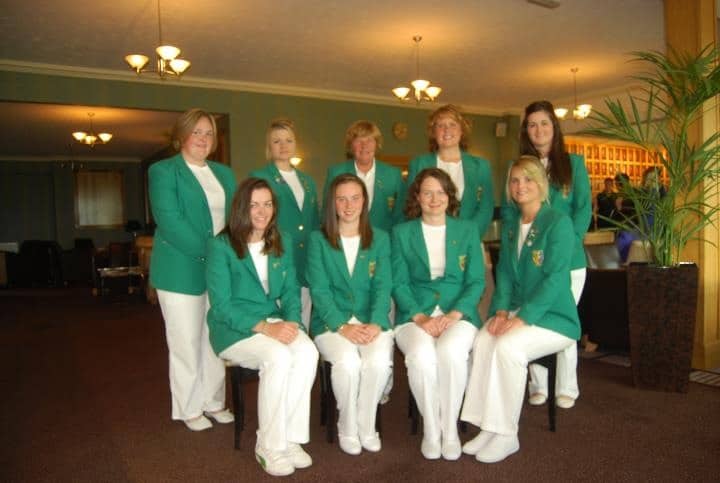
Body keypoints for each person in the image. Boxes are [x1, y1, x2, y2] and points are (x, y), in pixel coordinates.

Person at [461, 155, 580, 463]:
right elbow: (504, 276)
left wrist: (522, 318)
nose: (520, 186)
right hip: (517, 311)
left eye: (527, 179)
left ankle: (507, 434)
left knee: (509, 348)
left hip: (555, 318)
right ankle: (488, 425)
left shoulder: (558, 222)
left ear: (540, 183)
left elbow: (555, 279)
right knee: (484, 339)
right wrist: (500, 312)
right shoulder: (513, 225)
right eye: (514, 180)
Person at [206, 178, 318, 477]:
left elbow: (292, 289)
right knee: (279, 357)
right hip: (233, 329)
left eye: (267, 204)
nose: (261, 211)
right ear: (241, 207)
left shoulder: (280, 239)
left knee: (307, 352)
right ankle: (268, 445)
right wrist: (266, 329)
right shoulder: (222, 246)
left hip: (273, 320)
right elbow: (222, 306)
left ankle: (290, 439)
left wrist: (293, 320)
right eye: (254, 204)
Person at [148, 108, 237, 431]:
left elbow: (233, 221)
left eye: (209, 133)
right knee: (185, 342)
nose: (203, 138)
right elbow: (170, 222)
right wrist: (216, 254)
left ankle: (213, 402)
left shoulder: (225, 174)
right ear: (182, 135)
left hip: (217, 270)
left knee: (215, 338)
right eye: (196, 132)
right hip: (179, 270)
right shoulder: (163, 171)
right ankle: (188, 408)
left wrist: (232, 256)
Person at [502, 100, 591, 409]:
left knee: (560, 318)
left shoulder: (574, 163)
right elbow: (516, 212)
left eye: (544, 123)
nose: (538, 129)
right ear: (526, 131)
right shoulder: (521, 166)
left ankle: (566, 386)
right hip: (531, 263)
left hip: (569, 262)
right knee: (532, 316)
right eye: (532, 124)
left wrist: (567, 242)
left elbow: (583, 209)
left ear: (555, 127)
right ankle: (538, 384)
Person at [392, 168, 485, 461]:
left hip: (458, 313)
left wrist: (456, 313)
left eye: (441, 192)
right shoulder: (401, 233)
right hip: (414, 314)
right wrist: (419, 317)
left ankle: (450, 431)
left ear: (450, 196)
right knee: (420, 356)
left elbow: (476, 281)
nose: (434, 199)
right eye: (427, 192)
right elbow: (398, 282)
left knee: (451, 353)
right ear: (417, 197)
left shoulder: (467, 230)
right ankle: (432, 431)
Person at [307, 174, 394, 455]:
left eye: (355, 198)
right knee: (347, 362)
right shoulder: (318, 240)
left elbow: (383, 285)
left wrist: (377, 322)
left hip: (371, 320)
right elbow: (319, 291)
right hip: (331, 323)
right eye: (341, 198)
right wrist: (341, 326)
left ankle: (366, 425)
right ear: (332, 203)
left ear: (364, 201)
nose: (348, 205)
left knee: (379, 363)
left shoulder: (380, 238)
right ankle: (347, 425)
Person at [250, 119, 320, 329]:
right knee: (278, 322)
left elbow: (314, 222)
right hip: (276, 255)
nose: (283, 145)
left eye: (288, 140)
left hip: (305, 261)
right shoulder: (260, 177)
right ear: (268, 147)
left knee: (302, 321)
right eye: (277, 141)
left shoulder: (307, 181)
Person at [397, 104, 494, 238]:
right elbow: (410, 205)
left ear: (462, 130)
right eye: (440, 125)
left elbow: (485, 209)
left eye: (452, 124)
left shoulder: (481, 166)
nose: (447, 130)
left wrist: (468, 236)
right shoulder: (419, 164)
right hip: (427, 238)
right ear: (433, 132)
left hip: (468, 239)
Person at [323, 120, 404, 232]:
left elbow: (400, 216)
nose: (364, 145)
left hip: (383, 243)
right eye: (358, 140)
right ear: (351, 145)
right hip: (344, 241)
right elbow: (327, 212)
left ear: (377, 144)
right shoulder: (336, 173)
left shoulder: (393, 175)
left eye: (370, 140)